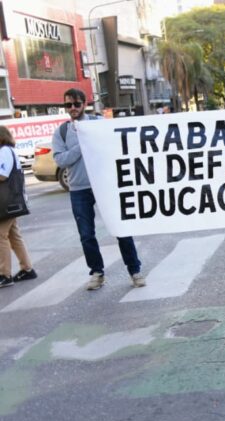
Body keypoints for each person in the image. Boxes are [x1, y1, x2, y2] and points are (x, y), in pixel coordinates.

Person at [52, 88, 146, 290]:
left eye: (77, 104)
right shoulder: (62, 132)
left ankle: (135, 270)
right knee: (86, 234)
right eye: (68, 105)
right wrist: (82, 144)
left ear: (84, 104)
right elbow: (61, 159)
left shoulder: (98, 124)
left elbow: (114, 146)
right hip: (79, 189)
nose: (73, 108)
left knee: (121, 228)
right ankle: (97, 272)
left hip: (105, 185)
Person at [0, 126, 36, 287]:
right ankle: (27, 269)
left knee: (0, 236)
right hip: (11, 201)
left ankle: (4, 274)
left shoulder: (4, 151)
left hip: (6, 202)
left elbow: (2, 175)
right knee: (14, 235)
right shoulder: (10, 150)